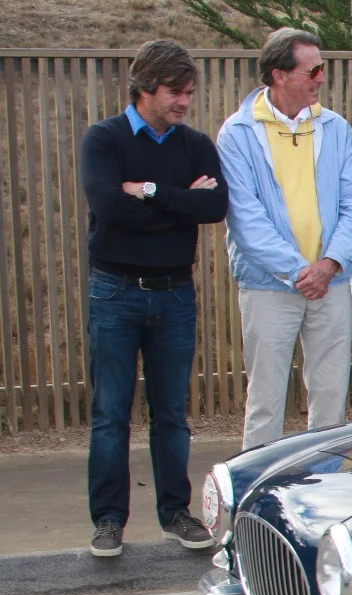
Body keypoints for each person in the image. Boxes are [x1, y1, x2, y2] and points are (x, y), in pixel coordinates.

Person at [79, 39, 227, 556]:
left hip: (174, 294)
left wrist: (148, 191)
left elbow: (215, 206)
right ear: (145, 88)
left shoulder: (193, 144)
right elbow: (108, 210)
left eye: (190, 92)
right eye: (175, 92)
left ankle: (176, 514)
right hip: (114, 291)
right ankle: (109, 520)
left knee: (171, 412)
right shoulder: (105, 140)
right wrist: (180, 202)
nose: (184, 102)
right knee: (111, 412)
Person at [218, 29, 352, 451]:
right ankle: (253, 498)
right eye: (312, 70)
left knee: (330, 399)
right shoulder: (237, 134)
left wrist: (329, 265)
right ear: (278, 75)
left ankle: (325, 491)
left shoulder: (335, 129)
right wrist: (298, 271)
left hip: (332, 284)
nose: (321, 77)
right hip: (269, 287)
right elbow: (245, 218)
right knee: (265, 401)